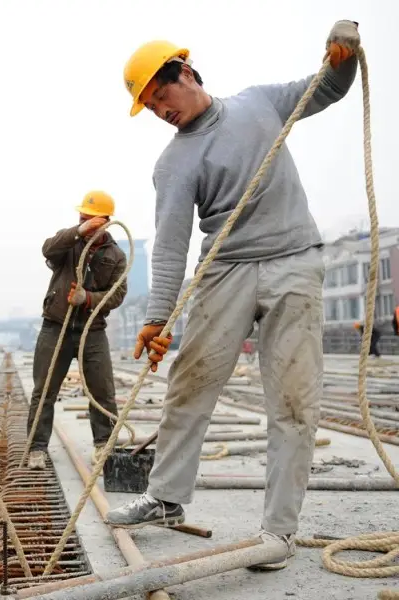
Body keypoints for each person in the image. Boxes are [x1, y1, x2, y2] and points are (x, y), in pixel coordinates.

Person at [106, 21, 361, 572]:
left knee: (293, 400)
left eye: (161, 95)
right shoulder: (173, 164)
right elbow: (170, 245)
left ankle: (278, 532)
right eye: (150, 107)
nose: (160, 110)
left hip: (295, 260)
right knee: (189, 383)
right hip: (226, 271)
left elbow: (328, 87)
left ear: (186, 72)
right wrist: (157, 317)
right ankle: (165, 498)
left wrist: (346, 49)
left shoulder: (259, 104)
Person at [27, 191, 128, 470]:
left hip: (92, 330)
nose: (85, 223)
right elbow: (48, 249)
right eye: (82, 218)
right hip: (55, 327)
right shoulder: (68, 243)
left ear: (106, 221)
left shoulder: (116, 256)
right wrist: (79, 231)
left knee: (102, 391)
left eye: (90, 219)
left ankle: (104, 445)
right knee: (44, 390)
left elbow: (118, 294)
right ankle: (36, 448)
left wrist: (88, 299)